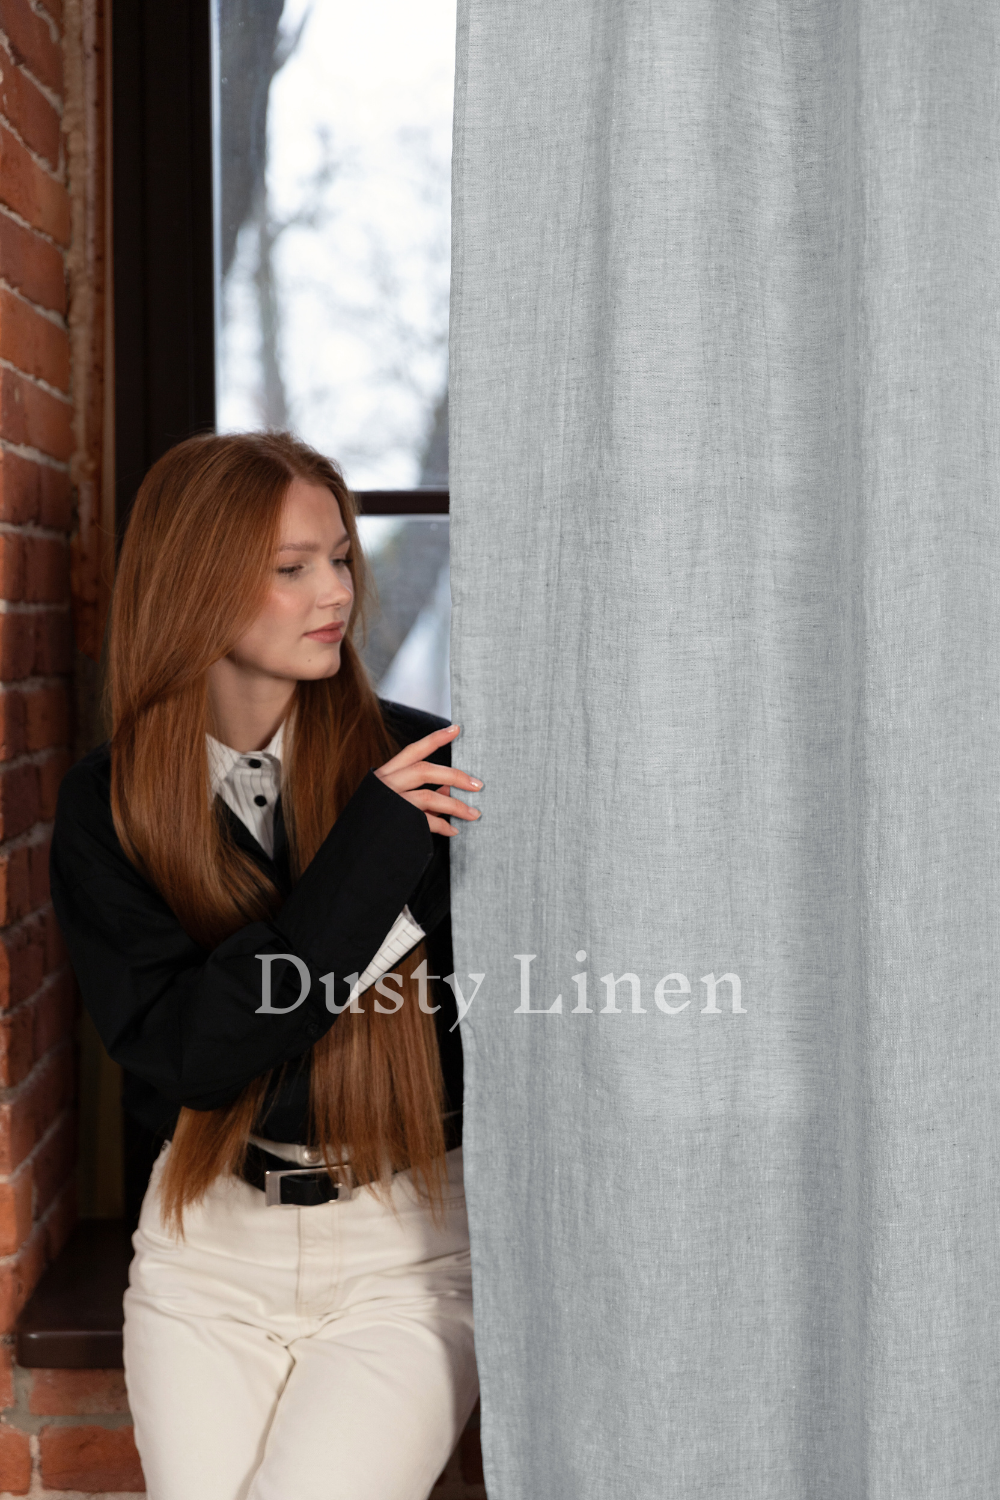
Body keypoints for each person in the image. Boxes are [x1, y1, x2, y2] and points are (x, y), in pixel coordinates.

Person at [49, 430, 484, 1500]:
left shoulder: (429, 776)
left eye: (339, 556)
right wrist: (366, 866)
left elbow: (454, 1059)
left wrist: (247, 1012)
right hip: (203, 1258)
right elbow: (192, 1061)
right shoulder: (109, 807)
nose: (335, 589)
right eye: (291, 568)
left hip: (404, 1255)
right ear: (194, 584)